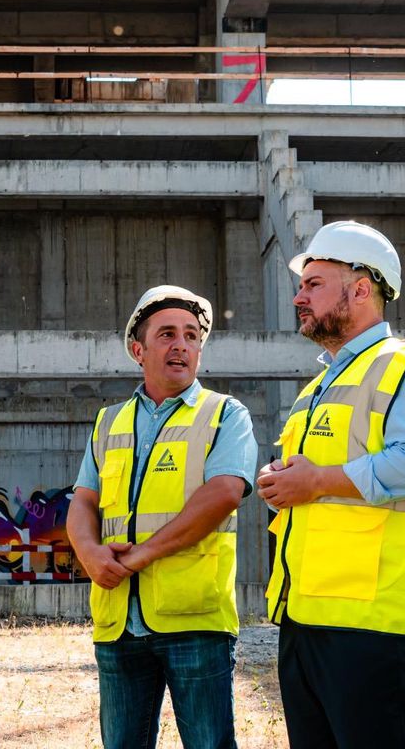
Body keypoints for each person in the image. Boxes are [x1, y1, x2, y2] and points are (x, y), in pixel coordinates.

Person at [257, 221, 405, 749]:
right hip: (307, 617)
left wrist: (316, 481)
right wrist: (282, 482)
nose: (298, 297)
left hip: (373, 623)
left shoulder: (402, 367)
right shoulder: (318, 386)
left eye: (313, 284)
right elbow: (314, 484)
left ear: (361, 289)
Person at [66, 285, 257, 749]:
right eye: (167, 334)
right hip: (118, 622)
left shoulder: (225, 414)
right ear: (139, 350)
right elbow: (83, 502)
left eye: (192, 336)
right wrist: (89, 553)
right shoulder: (108, 422)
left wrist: (139, 557)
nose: (182, 345)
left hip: (195, 620)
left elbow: (224, 494)